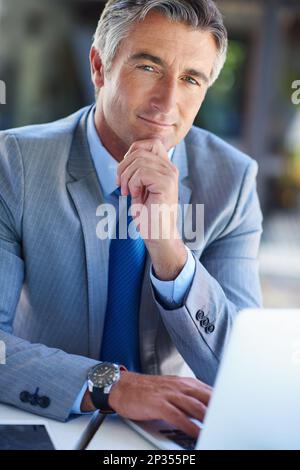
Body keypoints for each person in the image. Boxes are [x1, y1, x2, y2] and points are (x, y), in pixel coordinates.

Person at [0, 0, 263, 439]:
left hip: (172, 433)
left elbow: (240, 368)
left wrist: (170, 251)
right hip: (50, 419)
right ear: (99, 68)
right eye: (148, 68)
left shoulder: (231, 181)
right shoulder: (14, 165)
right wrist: (112, 384)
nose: (167, 102)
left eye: (190, 79)